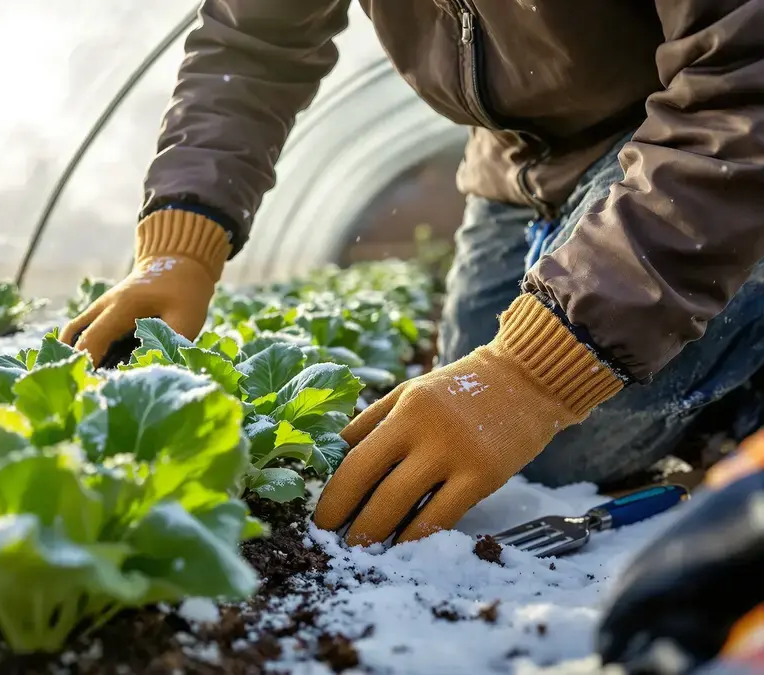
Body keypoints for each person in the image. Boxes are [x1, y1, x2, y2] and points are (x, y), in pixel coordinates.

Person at [62, 1, 764, 547]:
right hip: (516, 161)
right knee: (501, 448)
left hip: (678, 136)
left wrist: (532, 375)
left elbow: (742, 84)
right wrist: (180, 243)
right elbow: (253, 49)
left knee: (572, 430)